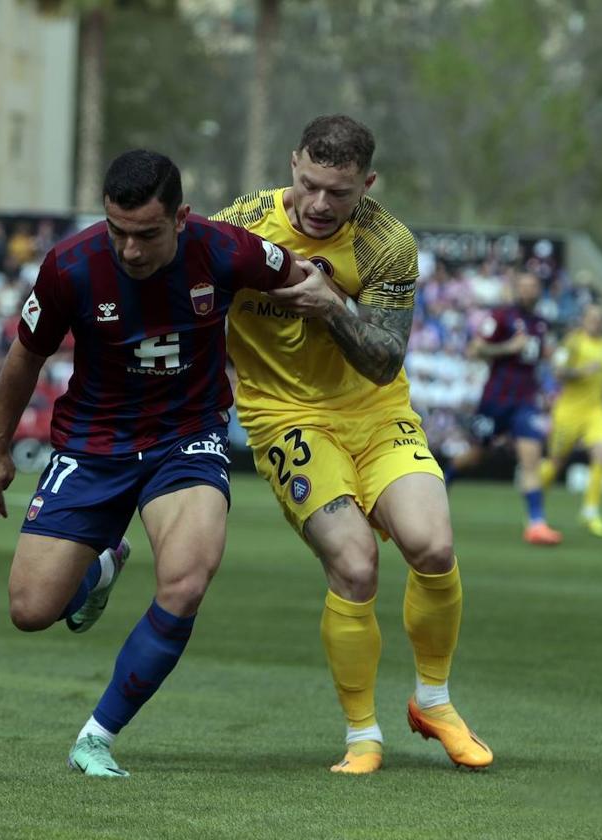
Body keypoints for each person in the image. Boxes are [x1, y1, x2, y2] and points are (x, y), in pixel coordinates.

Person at [0, 149, 319, 777]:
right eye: (118, 232)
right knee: (30, 611)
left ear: (182, 218)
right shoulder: (70, 267)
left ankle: (95, 737)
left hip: (185, 438)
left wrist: (345, 319)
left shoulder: (226, 251)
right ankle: (102, 566)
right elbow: (25, 356)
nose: (130, 250)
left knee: (186, 580)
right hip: (92, 442)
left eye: (146, 233)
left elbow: (303, 275)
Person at [213, 114, 492, 773]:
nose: (318, 204)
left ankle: (433, 701)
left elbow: (385, 361)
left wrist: (333, 306)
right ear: (292, 166)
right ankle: (363, 734)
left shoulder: (387, 244)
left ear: (365, 184)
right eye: (309, 184)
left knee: (434, 545)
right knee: (356, 564)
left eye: (338, 193)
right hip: (286, 419)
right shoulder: (238, 228)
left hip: (375, 412)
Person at [458, 271, 561, 546]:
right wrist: (508, 347)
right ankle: (446, 479)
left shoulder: (541, 324)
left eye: (533, 286)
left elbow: (540, 361)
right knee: (475, 455)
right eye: (524, 286)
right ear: (517, 289)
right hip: (495, 400)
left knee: (531, 459)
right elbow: (476, 350)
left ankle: (536, 524)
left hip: (525, 401)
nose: (528, 291)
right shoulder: (501, 317)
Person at [540, 303, 602, 536]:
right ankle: (535, 503)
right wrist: (581, 372)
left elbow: (601, 376)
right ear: (584, 319)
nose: (596, 322)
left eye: (600, 318)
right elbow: (558, 371)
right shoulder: (572, 342)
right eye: (592, 318)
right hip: (569, 412)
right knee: (556, 462)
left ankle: (590, 511)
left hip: (595, 411)